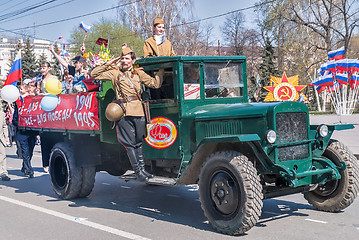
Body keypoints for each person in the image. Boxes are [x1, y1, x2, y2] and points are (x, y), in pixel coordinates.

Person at [91, 47, 164, 181]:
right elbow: (94, 74)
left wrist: (161, 70)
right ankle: (138, 172)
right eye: (123, 58)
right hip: (123, 112)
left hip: (138, 110)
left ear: (133, 61)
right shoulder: (114, 73)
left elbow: (155, 84)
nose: (124, 61)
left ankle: (142, 170)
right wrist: (110, 62)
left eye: (127, 59)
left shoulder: (138, 74)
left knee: (138, 142)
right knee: (129, 143)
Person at [13, 83, 38, 178]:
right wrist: (20, 125)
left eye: (22, 89)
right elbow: (14, 119)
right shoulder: (19, 103)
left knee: (30, 152)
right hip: (22, 132)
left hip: (31, 132)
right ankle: (29, 170)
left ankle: (24, 167)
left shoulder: (32, 102)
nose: (20, 91)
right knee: (25, 152)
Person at [0, 106, 10, 181]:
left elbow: (4, 126)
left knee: (3, 156)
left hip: (1, 139)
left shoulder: (2, 114)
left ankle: (4, 173)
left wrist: (6, 138)